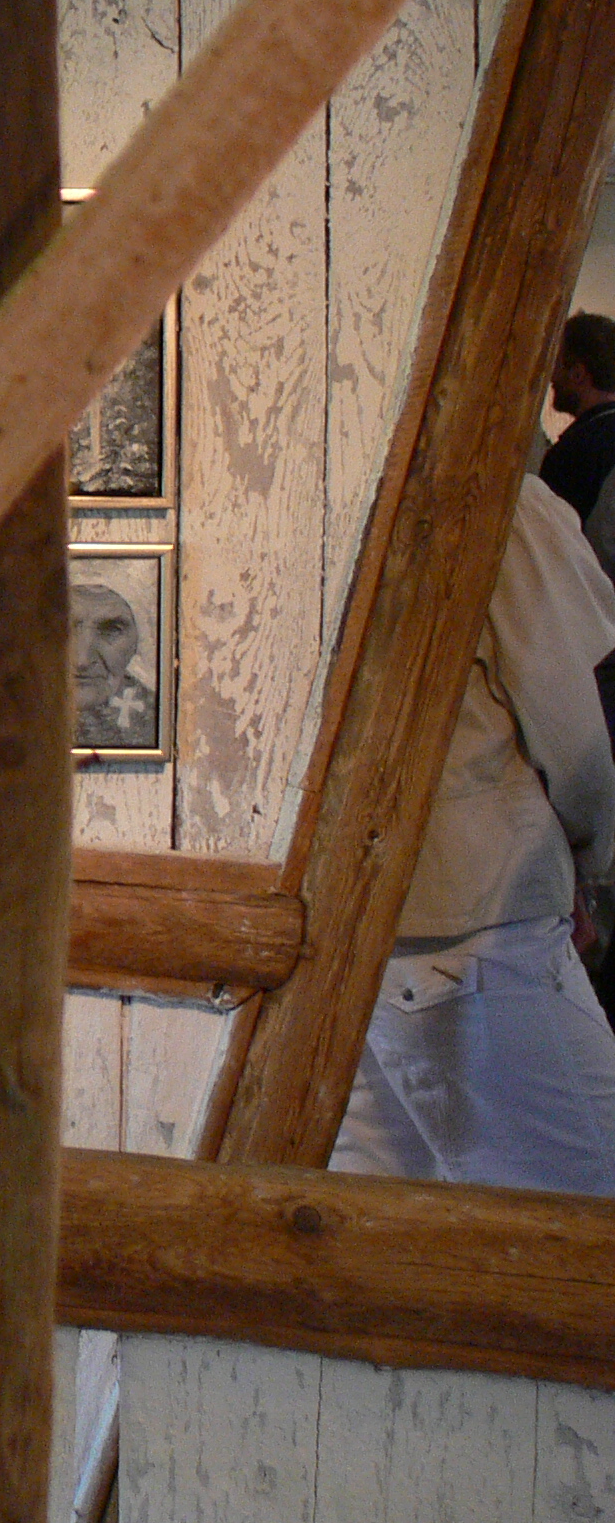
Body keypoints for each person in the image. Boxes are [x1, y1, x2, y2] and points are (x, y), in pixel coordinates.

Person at [329, 475, 615, 1192]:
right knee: (581, 1207)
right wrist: (594, 862)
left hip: (330, 931)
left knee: (386, 1223)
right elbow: (578, 721)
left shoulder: (291, 486)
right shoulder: (494, 495)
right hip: (478, 915)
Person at [542, 312, 615, 579]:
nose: (551, 377)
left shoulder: (577, 452)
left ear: (578, 374)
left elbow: (547, 553)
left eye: (556, 363)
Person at [67, 580, 159, 750]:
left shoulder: (155, 720)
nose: (82, 660)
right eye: (64, 627)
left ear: (138, 642)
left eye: (112, 630)